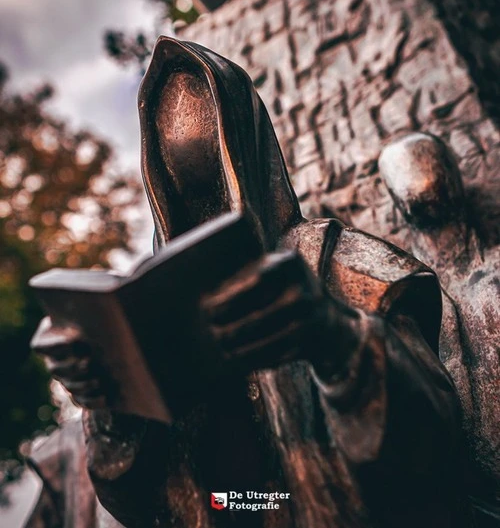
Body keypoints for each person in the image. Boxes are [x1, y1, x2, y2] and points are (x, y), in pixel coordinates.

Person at [26, 37, 465, 528]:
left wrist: (333, 338)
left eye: (217, 182)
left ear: (247, 150)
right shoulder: (158, 313)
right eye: (188, 198)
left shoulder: (340, 262)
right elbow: (143, 505)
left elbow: (435, 442)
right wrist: (111, 410)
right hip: (237, 508)